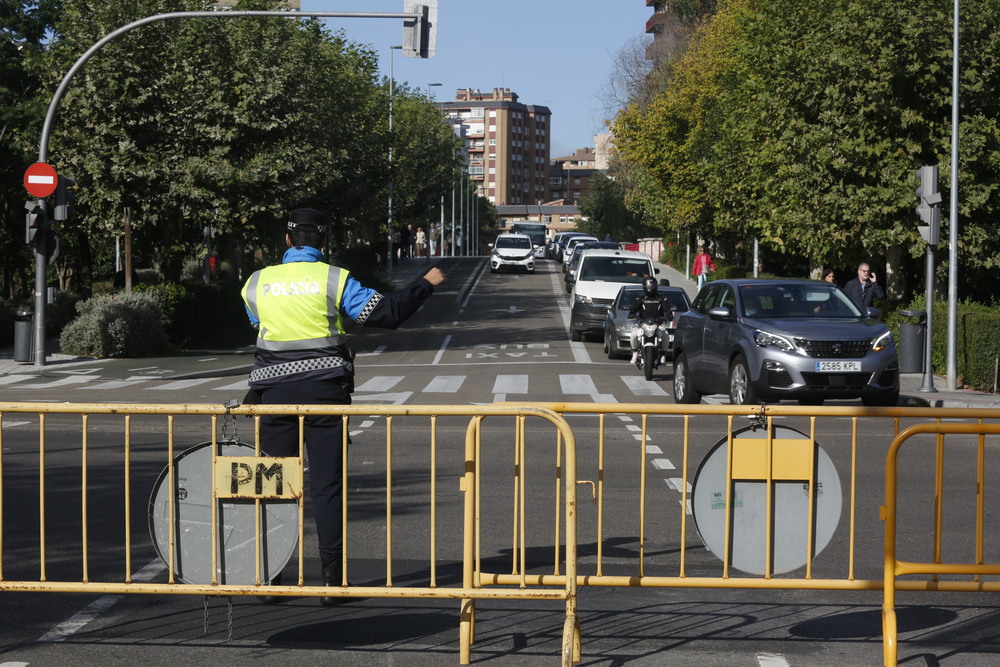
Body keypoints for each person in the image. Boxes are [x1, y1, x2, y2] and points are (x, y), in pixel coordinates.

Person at [241, 207, 446, 605]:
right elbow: (385, 314)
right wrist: (425, 283)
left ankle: (269, 577)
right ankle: (332, 583)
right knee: (327, 488)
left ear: (287, 240)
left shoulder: (255, 283)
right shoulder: (334, 278)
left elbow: (259, 327)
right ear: (323, 241)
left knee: (272, 487)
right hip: (324, 395)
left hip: (273, 398)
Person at [628, 276, 673, 365]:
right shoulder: (641, 299)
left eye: (652, 285)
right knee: (633, 334)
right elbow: (633, 310)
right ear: (644, 286)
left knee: (665, 335)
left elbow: (667, 310)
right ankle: (635, 352)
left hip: (658, 324)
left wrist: (669, 316)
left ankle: (663, 354)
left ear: (656, 286)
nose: (650, 287)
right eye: (648, 285)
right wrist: (632, 315)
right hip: (642, 324)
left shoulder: (661, 298)